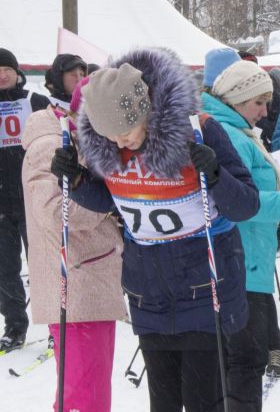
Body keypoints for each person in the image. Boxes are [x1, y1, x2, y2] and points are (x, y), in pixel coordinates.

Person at [50, 48, 260, 412]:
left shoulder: (200, 130)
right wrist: (78, 179)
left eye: (125, 132)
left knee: (201, 402)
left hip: (203, 288)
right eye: (108, 136)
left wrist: (215, 175)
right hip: (149, 292)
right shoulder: (107, 144)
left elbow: (245, 205)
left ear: (143, 109)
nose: (119, 143)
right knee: (162, 403)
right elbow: (112, 203)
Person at [201, 60, 280, 410]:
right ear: (236, 98)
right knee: (243, 363)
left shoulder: (235, 129)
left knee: (239, 362)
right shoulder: (230, 135)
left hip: (248, 259)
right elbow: (245, 203)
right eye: (258, 102)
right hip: (241, 263)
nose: (264, 111)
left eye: (267, 102)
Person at [22, 77, 127, 412]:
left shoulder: (80, 138)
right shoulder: (50, 142)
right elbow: (54, 210)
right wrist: (111, 200)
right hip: (77, 283)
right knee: (85, 397)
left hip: (91, 279)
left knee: (86, 391)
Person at [0, 48, 50, 352]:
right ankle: (15, 327)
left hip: (34, 200)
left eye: (7, 68)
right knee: (5, 269)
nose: (3, 74)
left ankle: (57, 327)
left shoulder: (34, 102)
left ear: (17, 72)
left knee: (43, 266)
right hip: (2, 206)